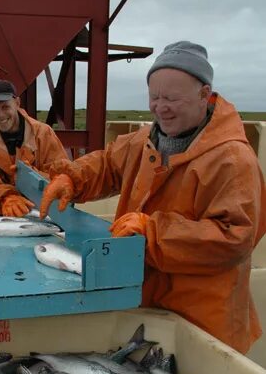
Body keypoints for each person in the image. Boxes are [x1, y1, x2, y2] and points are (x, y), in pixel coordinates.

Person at [40, 41, 266, 353]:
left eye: (172, 98)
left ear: (205, 95)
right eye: (154, 97)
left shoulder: (234, 160)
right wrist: (71, 178)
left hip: (202, 321)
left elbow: (234, 238)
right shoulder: (144, 140)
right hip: (145, 303)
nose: (161, 107)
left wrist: (153, 232)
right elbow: (107, 164)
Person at [0, 80, 69, 216]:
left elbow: (62, 176)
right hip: (2, 211)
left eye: (5, 107)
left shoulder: (44, 133)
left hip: (44, 211)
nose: (1, 115)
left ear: (17, 103)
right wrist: (5, 197)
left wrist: (31, 175)